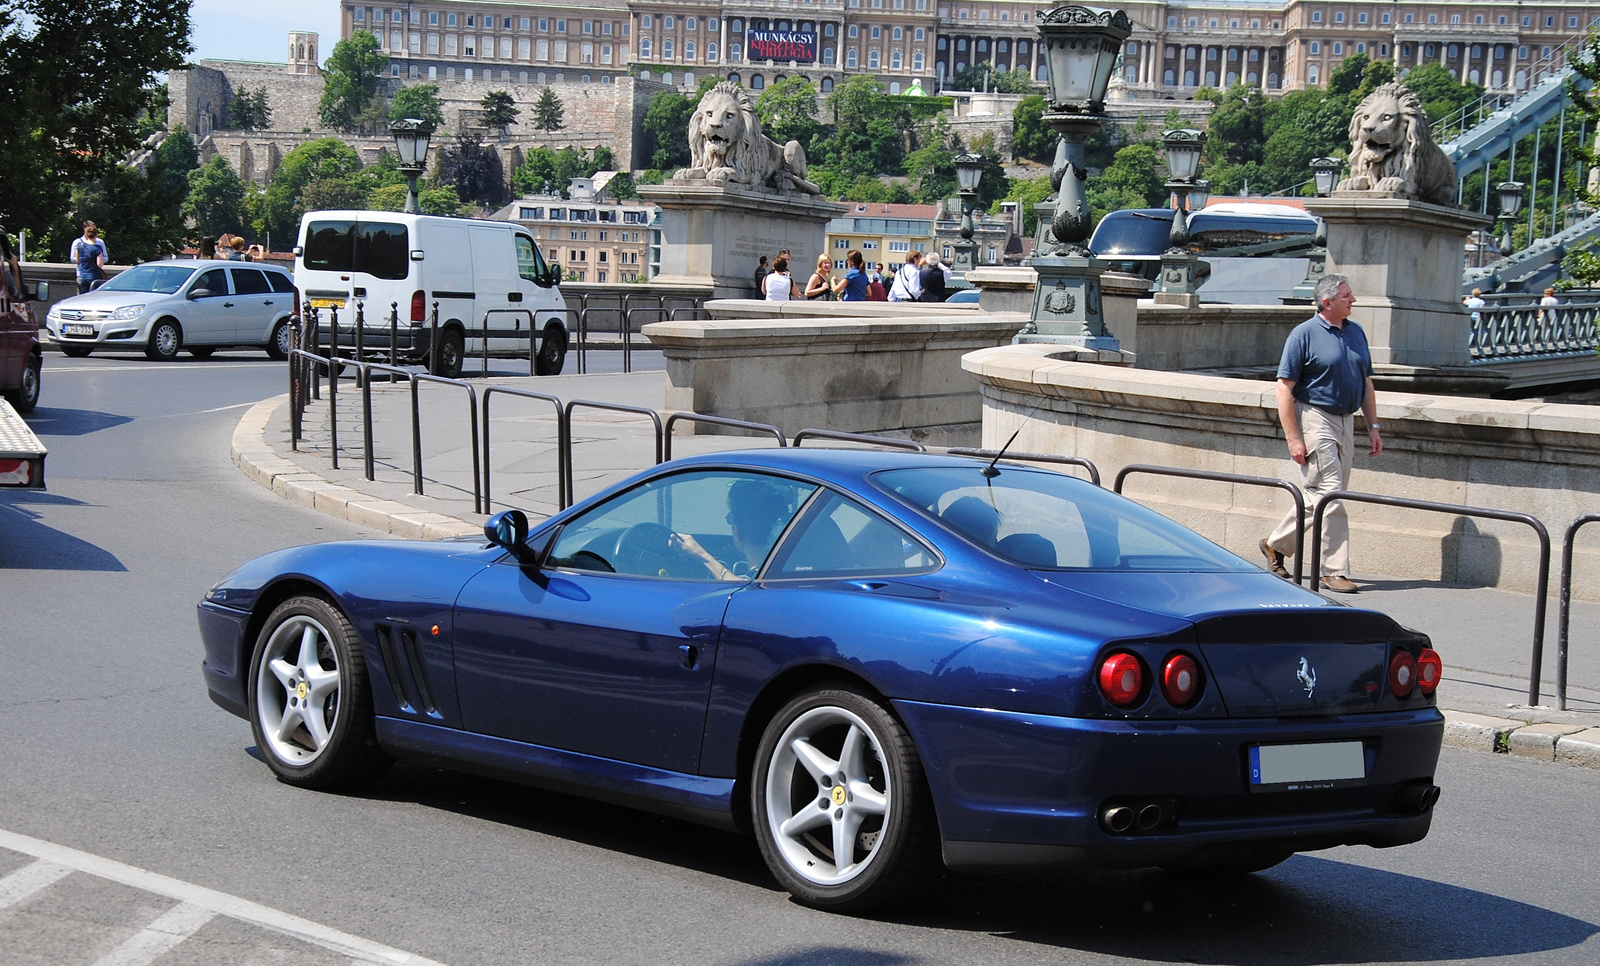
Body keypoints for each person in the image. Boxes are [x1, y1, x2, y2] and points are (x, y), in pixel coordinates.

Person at [1260, 273, 1381, 594]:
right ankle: (1333, 570)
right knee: (1333, 495)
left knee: (1323, 495)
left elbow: (1366, 382)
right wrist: (1293, 438)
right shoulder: (1303, 335)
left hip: (1347, 420)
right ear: (1327, 302)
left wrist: (1373, 426)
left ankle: (1275, 544)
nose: (1353, 301)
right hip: (1315, 417)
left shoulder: (1355, 333)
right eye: (1347, 296)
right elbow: (1284, 388)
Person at [669, 479, 792, 580]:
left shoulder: (759, 586)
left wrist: (702, 556)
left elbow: (745, 592)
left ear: (736, 532)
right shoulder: (793, 572)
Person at [70, 221, 108, 294]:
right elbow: (100, 264)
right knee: (93, 297)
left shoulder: (79, 245)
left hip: (82, 274)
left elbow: (77, 261)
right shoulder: (97, 247)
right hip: (94, 276)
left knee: (81, 298)